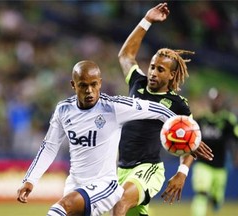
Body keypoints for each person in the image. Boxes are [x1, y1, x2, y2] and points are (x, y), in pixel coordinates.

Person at [17, 60, 180, 216]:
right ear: (73, 85)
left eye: (93, 84)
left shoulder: (113, 107)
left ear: (100, 83)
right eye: (83, 85)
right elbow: (49, 147)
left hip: (104, 185)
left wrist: (184, 131)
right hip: (74, 185)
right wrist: (30, 179)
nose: (89, 90)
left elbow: (159, 110)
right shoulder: (63, 110)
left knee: (60, 208)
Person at [112, 2, 213, 216]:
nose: (153, 73)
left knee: (119, 203)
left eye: (160, 69)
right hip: (122, 168)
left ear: (171, 76)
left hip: (148, 168)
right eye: (151, 66)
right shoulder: (137, 83)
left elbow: (191, 140)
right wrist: (146, 20)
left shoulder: (177, 104)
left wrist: (182, 173)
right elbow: (125, 56)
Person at [191, 87, 238, 216]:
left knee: (217, 199)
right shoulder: (201, 120)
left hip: (220, 166)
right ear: (209, 101)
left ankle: (216, 200)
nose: (215, 103)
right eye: (213, 100)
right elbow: (190, 138)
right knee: (201, 193)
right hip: (202, 164)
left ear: (221, 101)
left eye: (217, 100)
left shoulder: (227, 120)